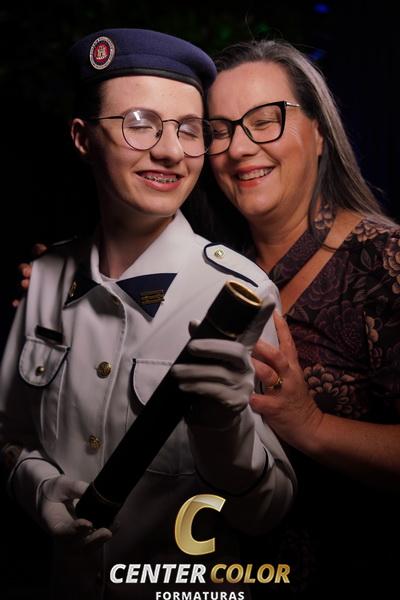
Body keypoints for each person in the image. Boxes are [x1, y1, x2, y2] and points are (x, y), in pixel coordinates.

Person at [0, 30, 296, 600]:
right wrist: (40, 489)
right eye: (140, 123)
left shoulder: (240, 293)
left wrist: (225, 428)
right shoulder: (45, 278)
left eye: (189, 129)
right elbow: (10, 434)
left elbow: (267, 513)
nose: (170, 151)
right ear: (83, 138)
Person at [201, 39, 400, 595]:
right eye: (219, 130)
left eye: (264, 121)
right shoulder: (211, 270)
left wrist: (311, 425)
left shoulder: (386, 262)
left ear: (318, 134)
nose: (240, 148)